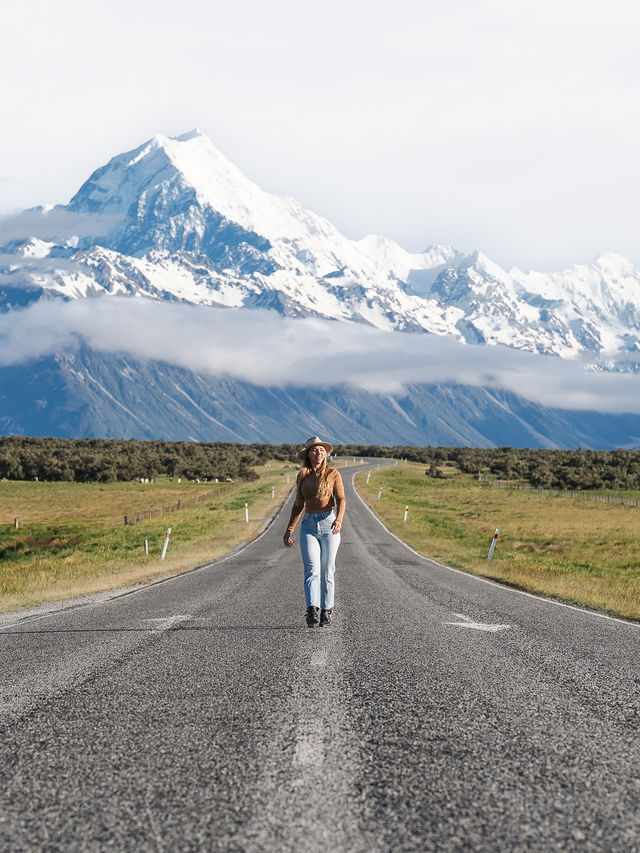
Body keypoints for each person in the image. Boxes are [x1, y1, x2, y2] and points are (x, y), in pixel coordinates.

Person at [283, 436, 346, 627]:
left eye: (320, 450)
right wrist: (289, 529)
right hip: (309, 525)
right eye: (313, 450)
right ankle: (312, 610)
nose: (317, 453)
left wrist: (339, 519)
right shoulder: (303, 476)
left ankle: (327, 610)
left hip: (329, 523)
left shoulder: (333, 473)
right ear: (308, 455)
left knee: (328, 569)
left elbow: (342, 499)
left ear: (325, 454)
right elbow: (298, 505)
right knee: (312, 569)